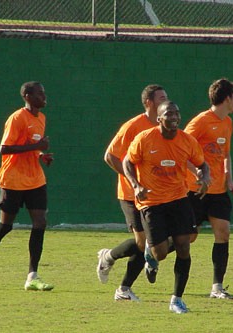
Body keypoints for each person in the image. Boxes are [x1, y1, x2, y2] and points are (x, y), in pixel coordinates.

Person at [122, 100, 210, 314]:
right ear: (159, 118)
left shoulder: (187, 141)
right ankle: (151, 257)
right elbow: (127, 162)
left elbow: (202, 163)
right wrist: (136, 185)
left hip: (178, 198)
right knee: (160, 252)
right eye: (169, 113)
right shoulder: (144, 139)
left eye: (177, 113)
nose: (174, 116)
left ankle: (177, 299)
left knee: (184, 245)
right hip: (151, 202)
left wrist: (205, 178)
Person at [0, 81, 54, 291]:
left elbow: (33, 146)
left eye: (44, 93)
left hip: (35, 179)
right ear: (27, 95)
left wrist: (41, 155)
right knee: (6, 226)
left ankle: (32, 276)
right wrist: (37, 146)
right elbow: (4, 148)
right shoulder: (17, 118)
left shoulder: (41, 118)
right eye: (40, 94)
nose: (44, 97)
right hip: (13, 179)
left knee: (40, 223)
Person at [97, 84, 168, 301]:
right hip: (131, 194)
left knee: (157, 242)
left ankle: (111, 259)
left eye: (166, 97)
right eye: (161, 98)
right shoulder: (133, 126)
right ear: (149, 102)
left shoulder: (164, 128)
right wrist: (133, 182)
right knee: (142, 242)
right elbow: (110, 156)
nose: (166, 101)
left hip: (155, 194)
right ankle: (123, 286)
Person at [184, 78, 233, 299]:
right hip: (195, 191)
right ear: (227, 98)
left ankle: (217, 287)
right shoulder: (200, 122)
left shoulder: (227, 122)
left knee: (223, 233)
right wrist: (196, 173)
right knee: (188, 237)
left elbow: (225, 154)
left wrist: (229, 180)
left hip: (218, 191)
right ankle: (153, 251)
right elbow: (181, 149)